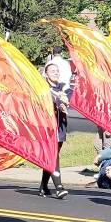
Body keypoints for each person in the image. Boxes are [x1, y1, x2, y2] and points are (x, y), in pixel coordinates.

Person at [39, 62, 72, 199]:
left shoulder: (62, 86)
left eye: (57, 71)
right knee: (53, 156)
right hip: (48, 128)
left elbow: (68, 94)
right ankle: (59, 187)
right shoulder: (42, 88)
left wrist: (65, 100)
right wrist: (58, 100)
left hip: (61, 127)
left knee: (52, 156)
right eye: (52, 71)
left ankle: (43, 186)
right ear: (46, 74)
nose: (56, 73)